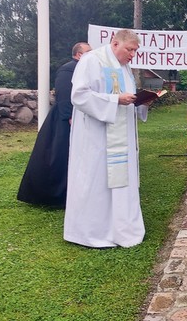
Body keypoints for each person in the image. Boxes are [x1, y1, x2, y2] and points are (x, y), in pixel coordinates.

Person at [64, 29, 149, 248]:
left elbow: (126, 98)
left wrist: (141, 103)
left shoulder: (124, 67)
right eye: (129, 49)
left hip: (122, 136)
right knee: (96, 180)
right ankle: (93, 231)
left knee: (121, 179)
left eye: (135, 51)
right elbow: (79, 96)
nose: (132, 55)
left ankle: (121, 227)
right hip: (96, 136)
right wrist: (114, 100)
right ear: (115, 43)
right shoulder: (92, 60)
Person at [17, 42, 92, 208]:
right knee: (59, 155)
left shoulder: (85, 69)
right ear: (78, 55)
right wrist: (69, 117)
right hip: (66, 120)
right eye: (88, 52)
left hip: (78, 116)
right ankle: (53, 196)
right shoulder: (68, 69)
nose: (91, 54)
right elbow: (64, 95)